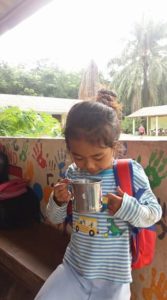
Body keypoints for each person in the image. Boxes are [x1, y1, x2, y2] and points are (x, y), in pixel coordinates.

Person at [35, 90, 162, 300]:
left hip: (114, 278)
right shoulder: (72, 173)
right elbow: (55, 218)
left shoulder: (129, 172)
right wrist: (58, 201)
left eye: (97, 156)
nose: (89, 166)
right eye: (79, 157)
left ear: (114, 146)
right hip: (73, 270)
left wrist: (125, 207)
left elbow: (154, 213)